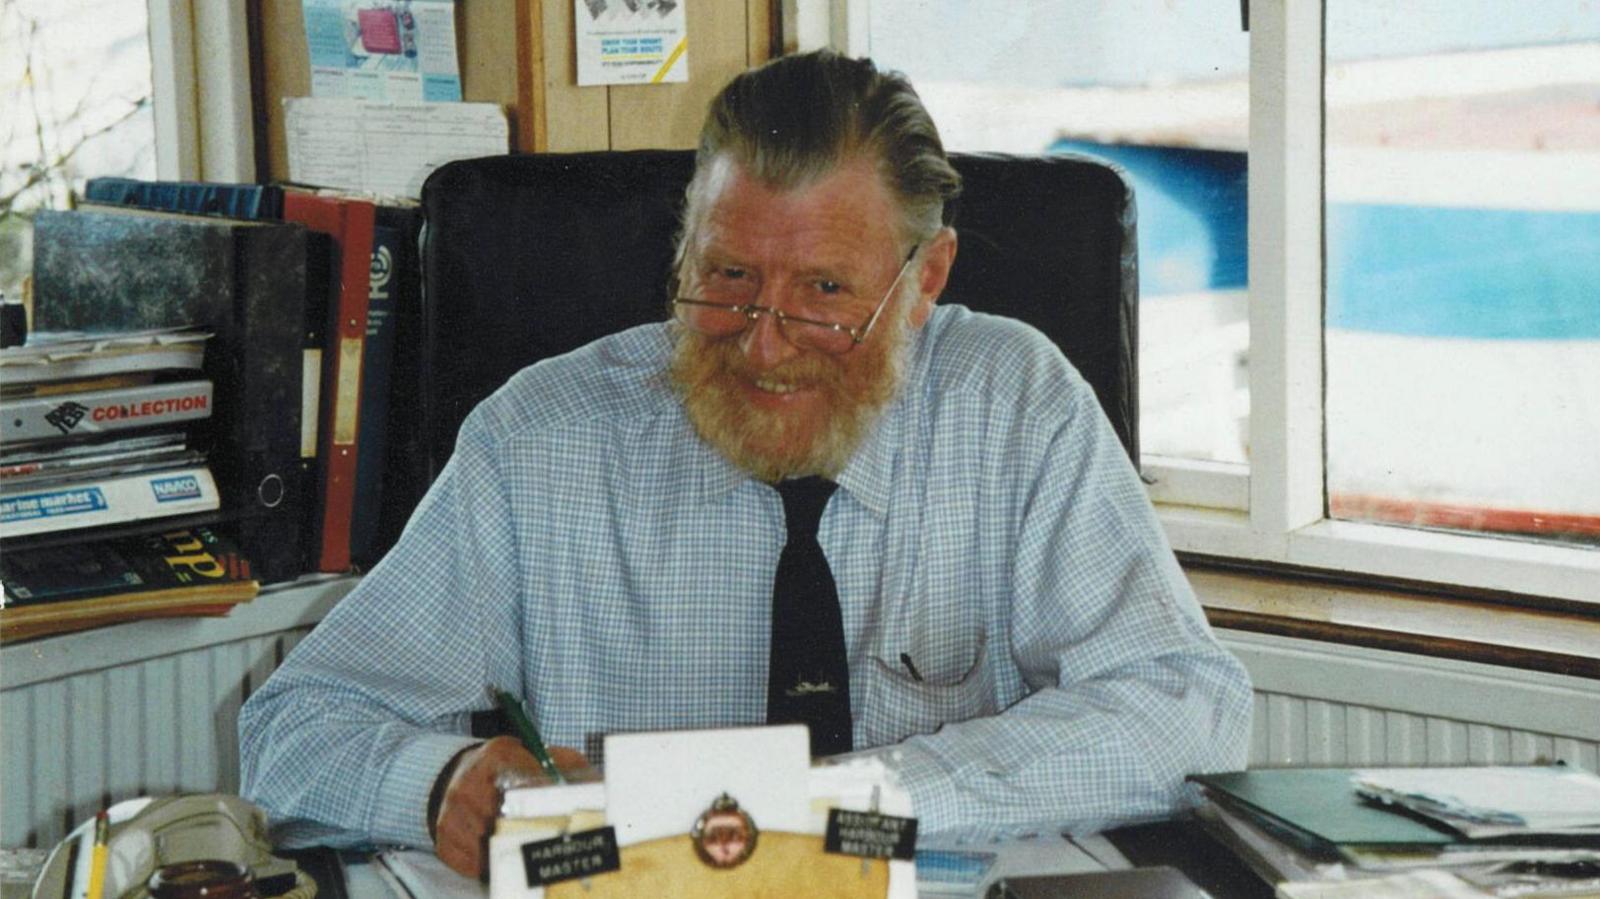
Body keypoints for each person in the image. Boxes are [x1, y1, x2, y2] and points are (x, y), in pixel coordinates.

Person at [239, 49, 1252, 879]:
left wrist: (860, 805)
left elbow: (1186, 712)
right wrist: (434, 777)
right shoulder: (540, 439)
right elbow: (292, 727)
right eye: (726, 277)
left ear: (924, 277)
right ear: (683, 249)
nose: (764, 344)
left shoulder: (1013, 405)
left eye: (822, 291)